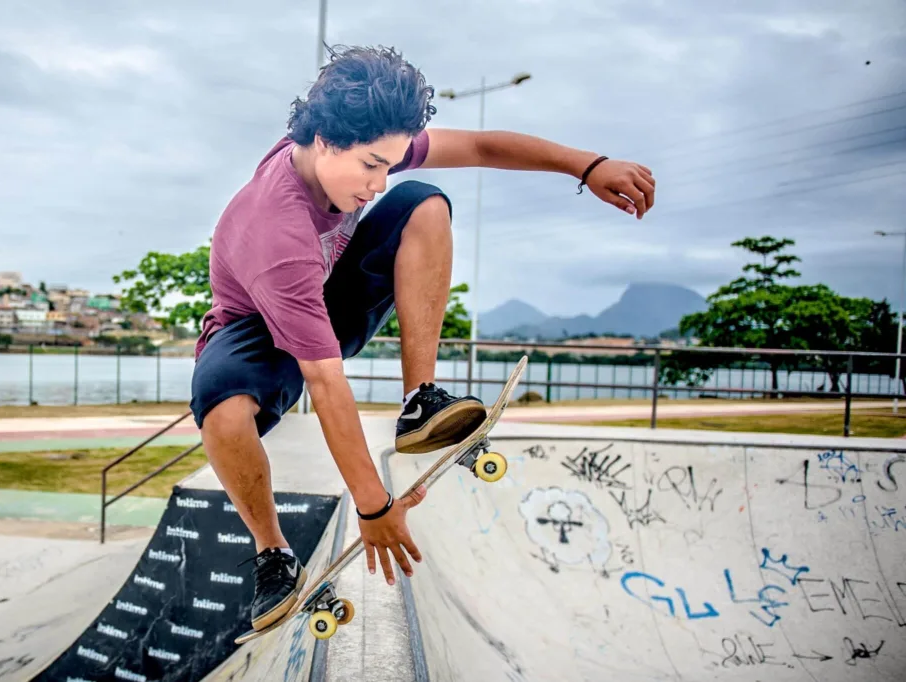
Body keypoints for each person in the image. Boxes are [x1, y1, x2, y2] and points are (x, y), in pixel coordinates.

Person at [189, 44, 655, 632]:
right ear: (324, 142)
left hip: (329, 291)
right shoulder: (275, 232)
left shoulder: (357, 143)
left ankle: (420, 400)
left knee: (425, 203)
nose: (379, 182)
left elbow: (482, 147)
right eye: (371, 166)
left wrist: (587, 166)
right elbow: (326, 383)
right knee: (224, 412)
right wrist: (374, 505)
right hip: (252, 327)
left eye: (389, 162)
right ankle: (272, 554)